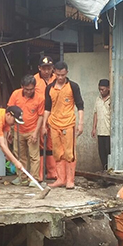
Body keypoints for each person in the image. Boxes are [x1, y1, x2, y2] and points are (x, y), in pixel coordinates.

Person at [41, 61, 84, 189]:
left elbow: (80, 105)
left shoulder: (73, 86)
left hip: (68, 123)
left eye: (63, 75)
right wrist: (44, 125)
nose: (60, 77)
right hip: (54, 124)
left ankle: (70, 180)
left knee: (69, 153)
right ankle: (60, 179)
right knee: (57, 152)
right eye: (58, 75)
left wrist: (80, 123)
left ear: (67, 73)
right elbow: (47, 108)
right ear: (54, 73)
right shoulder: (49, 88)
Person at [7, 75, 44, 186]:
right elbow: (9, 111)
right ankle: (21, 177)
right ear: (22, 86)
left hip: (32, 130)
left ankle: (34, 179)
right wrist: (9, 128)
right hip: (18, 130)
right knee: (19, 155)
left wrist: (36, 132)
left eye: (31, 89)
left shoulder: (40, 97)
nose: (29, 92)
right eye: (26, 89)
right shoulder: (15, 94)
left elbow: (41, 116)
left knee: (34, 156)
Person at [34, 56, 57, 181]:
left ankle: (52, 172)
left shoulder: (56, 79)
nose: (47, 71)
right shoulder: (34, 80)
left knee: (52, 144)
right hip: (39, 116)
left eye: (49, 68)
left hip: (54, 116)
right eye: (44, 68)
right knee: (39, 144)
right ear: (39, 68)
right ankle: (40, 173)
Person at [91, 79, 111, 170]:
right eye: (100, 89)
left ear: (108, 88)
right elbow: (96, 113)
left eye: (103, 89)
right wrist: (94, 128)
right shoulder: (98, 99)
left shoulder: (112, 99)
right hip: (100, 130)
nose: (101, 91)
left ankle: (110, 169)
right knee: (101, 152)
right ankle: (104, 169)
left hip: (109, 131)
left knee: (109, 152)